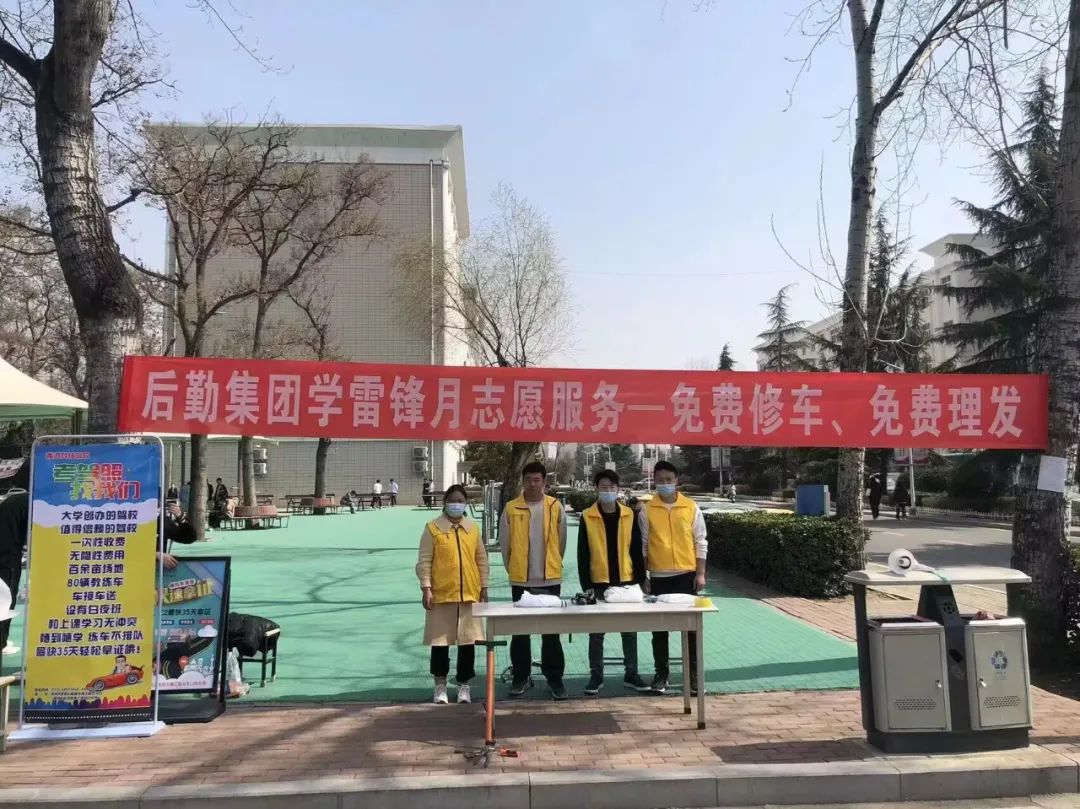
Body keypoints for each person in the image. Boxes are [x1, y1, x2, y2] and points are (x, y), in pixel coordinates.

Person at [499, 461, 568, 699]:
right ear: (523, 481)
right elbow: (505, 545)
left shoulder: (555, 507)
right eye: (528, 480)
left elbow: (561, 542)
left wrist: (552, 565)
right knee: (520, 633)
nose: (532, 484)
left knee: (551, 633)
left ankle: (554, 679)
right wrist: (515, 571)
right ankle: (521, 677)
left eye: (537, 480)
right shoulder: (511, 508)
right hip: (521, 580)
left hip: (550, 580)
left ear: (544, 482)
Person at [416, 484, 489, 704]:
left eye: (460, 501)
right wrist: (426, 587)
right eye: (452, 500)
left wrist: (484, 586)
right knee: (440, 644)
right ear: (445, 502)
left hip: (469, 595)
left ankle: (464, 685)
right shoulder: (432, 528)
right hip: (441, 595)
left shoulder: (472, 529)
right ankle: (440, 686)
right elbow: (424, 560)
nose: (456, 504)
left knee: (468, 643)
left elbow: (481, 559)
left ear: (466, 504)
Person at [577, 469, 648, 695]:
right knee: (596, 632)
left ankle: (631, 674)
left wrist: (640, 579)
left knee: (629, 631)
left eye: (612, 487)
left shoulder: (629, 515)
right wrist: (586, 586)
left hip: (626, 581)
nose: (608, 491)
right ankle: (596, 676)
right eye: (603, 487)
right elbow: (583, 554)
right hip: (599, 582)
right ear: (596, 489)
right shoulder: (587, 516)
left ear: (618, 489)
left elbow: (636, 549)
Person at [640, 460, 707, 695]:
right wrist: (645, 576)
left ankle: (693, 676)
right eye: (660, 480)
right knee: (659, 630)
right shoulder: (647, 509)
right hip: (659, 576)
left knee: (691, 629)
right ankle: (661, 674)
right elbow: (643, 546)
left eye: (669, 479)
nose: (665, 484)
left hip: (686, 575)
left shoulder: (691, 507)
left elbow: (700, 541)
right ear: (654, 481)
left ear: (676, 480)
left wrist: (700, 573)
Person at [0, 461, 30, 661]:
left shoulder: (15, 501)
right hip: (6, 558)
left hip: (7, 553)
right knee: (5, 600)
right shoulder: (28, 502)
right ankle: (1, 642)